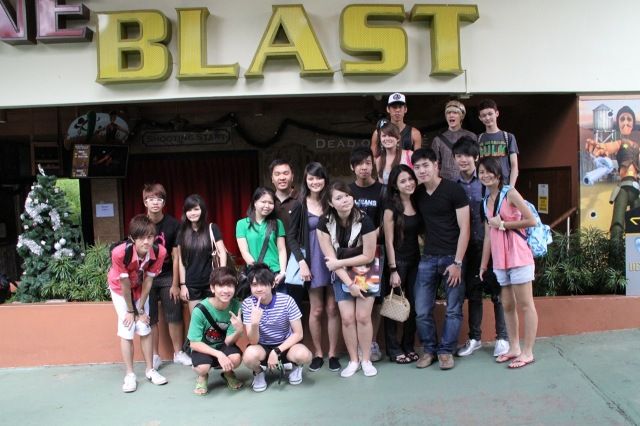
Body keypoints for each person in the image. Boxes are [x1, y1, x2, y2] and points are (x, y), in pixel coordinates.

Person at [412, 148, 470, 370]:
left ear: (436, 165)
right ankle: (429, 350)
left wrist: (458, 263)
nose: (422, 170)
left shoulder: (453, 190)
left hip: (452, 258)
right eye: (417, 167)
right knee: (421, 310)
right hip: (427, 258)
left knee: (453, 308)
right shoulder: (417, 194)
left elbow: (465, 228)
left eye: (425, 165)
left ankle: (446, 351)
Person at [451, 139, 509, 358]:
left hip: (492, 244)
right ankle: (475, 338)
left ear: (476, 157)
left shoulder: (487, 181)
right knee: (473, 293)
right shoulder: (452, 186)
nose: (463, 160)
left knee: (497, 292)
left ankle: (502, 338)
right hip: (467, 247)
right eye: (458, 156)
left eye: (467, 155)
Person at [479, 157, 538, 369]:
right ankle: (513, 347)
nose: (485, 175)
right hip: (500, 259)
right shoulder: (485, 201)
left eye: (489, 171)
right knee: (507, 305)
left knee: (525, 304)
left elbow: (531, 220)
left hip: (518, 256)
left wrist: (504, 224)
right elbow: (488, 235)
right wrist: (483, 265)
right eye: (481, 172)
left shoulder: (510, 193)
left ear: (498, 174)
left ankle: (527, 351)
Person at [317, 181, 378, 378]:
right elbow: (330, 259)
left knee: (363, 316)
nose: (345, 200)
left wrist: (340, 263)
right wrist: (350, 284)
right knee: (347, 318)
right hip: (341, 273)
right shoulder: (324, 223)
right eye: (339, 197)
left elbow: (368, 255)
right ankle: (353, 360)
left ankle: (366, 359)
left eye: (347, 195)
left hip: (365, 269)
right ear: (331, 203)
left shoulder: (365, 221)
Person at [286, 162, 341, 372]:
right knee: (316, 310)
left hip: (333, 259)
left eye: (319, 177)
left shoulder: (332, 201)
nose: (315, 182)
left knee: (333, 308)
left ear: (325, 179)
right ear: (305, 181)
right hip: (312, 262)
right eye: (311, 178)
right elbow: (291, 237)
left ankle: (333, 354)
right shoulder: (299, 205)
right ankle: (318, 353)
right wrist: (302, 262)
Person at [108, 214, 168, 393]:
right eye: (141, 238)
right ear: (132, 238)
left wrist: (140, 310)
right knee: (127, 328)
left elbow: (149, 281)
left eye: (150, 236)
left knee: (144, 326)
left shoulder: (159, 252)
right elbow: (124, 284)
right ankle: (130, 375)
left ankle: (150, 370)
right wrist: (131, 311)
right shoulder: (119, 253)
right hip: (121, 290)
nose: (146, 242)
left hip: (140, 288)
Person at [142, 183, 192, 370]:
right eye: (151, 199)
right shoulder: (140, 223)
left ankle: (178, 353)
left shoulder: (173, 224)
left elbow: (176, 255)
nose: (155, 202)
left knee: (174, 313)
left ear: (164, 202)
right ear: (145, 202)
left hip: (167, 275)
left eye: (159, 199)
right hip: (146, 276)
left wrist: (176, 284)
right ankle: (155, 356)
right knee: (151, 317)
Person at [241, 263, 312, 392]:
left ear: (273, 284)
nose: (259, 289)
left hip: (285, 345)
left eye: (263, 284)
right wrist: (255, 323)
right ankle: (258, 372)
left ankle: (295, 367)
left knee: (304, 355)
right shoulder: (247, 304)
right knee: (249, 357)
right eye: (254, 285)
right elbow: (253, 341)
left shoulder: (287, 301)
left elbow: (298, 334)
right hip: (262, 346)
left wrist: (277, 351)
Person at [382, 165, 422, 364]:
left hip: (416, 261)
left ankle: (408, 345)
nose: (408, 183)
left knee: (413, 305)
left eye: (410, 179)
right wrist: (393, 269)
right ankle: (393, 349)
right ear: (395, 186)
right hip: (397, 262)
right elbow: (388, 241)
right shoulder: (391, 208)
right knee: (393, 305)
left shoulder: (417, 201)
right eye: (403, 181)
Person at [348, 146, 385, 362]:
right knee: (356, 299)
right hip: (351, 254)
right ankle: (358, 345)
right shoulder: (348, 191)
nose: (364, 167)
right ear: (352, 167)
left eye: (368, 163)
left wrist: (369, 238)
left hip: (376, 253)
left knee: (375, 300)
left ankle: (372, 342)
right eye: (360, 164)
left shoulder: (382, 190)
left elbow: (386, 221)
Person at [586, 105, 639, 242]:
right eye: (622, 119)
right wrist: (600, 147)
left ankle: (634, 254)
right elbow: (609, 147)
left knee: (637, 224)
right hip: (623, 187)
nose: (626, 122)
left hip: (636, 188)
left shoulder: (637, 147)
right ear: (618, 123)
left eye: (629, 119)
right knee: (617, 223)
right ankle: (615, 253)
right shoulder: (619, 143)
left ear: (633, 123)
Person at [188, 266, 244, 395]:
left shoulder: (236, 306)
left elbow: (228, 341)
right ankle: (202, 376)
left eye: (230, 285)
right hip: (203, 347)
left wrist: (239, 331)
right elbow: (194, 343)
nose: (226, 290)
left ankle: (228, 373)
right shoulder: (200, 310)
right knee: (203, 368)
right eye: (221, 285)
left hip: (222, 344)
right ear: (213, 288)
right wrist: (219, 354)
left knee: (236, 358)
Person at [178, 194, 228, 313]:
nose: (192, 213)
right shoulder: (182, 232)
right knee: (197, 318)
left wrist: (221, 276)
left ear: (203, 210)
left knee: (214, 318)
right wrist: (183, 285)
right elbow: (181, 260)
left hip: (211, 282)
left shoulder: (212, 228)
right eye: (189, 210)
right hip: (192, 284)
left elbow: (222, 252)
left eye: (196, 209)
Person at [236, 187, 287, 292]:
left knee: (279, 302)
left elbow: (282, 249)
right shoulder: (242, 224)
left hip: (275, 273)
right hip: (255, 274)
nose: (267, 206)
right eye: (263, 202)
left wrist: (283, 272)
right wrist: (257, 271)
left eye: (270, 203)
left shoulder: (278, 223)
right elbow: (244, 251)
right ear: (255, 202)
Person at [270, 159, 304, 305]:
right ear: (272, 178)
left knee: (297, 306)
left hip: (298, 261)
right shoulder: (266, 200)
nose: (282, 177)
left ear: (292, 176)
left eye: (285, 173)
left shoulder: (302, 199)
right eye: (277, 174)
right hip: (273, 264)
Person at [430, 100, 477, 181]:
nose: (451, 115)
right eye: (448, 113)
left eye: (455, 113)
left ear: (462, 116)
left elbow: (476, 161)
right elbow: (434, 165)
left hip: (467, 181)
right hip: (446, 182)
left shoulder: (471, 136)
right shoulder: (438, 140)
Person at [477, 98, 520, 187]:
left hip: (504, 185)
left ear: (497, 113)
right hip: (484, 186)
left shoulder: (508, 137)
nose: (487, 118)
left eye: (490, 114)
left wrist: (511, 187)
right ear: (480, 118)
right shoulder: (478, 139)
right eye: (484, 115)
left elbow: (514, 165)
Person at [370, 92, 422, 157]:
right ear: (388, 109)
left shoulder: (414, 133)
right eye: (394, 107)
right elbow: (373, 158)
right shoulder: (378, 132)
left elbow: (417, 159)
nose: (397, 110)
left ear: (405, 109)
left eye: (400, 107)